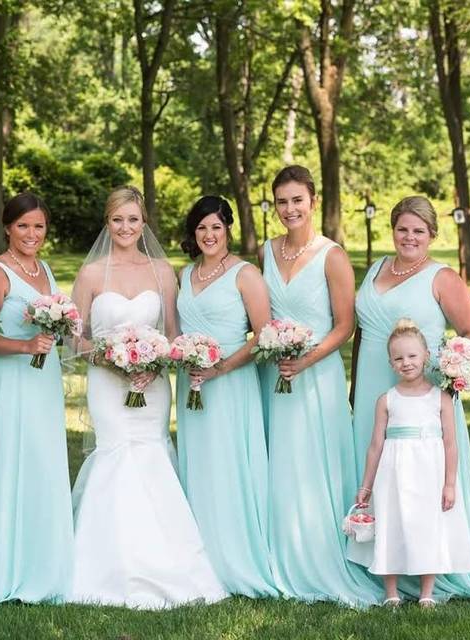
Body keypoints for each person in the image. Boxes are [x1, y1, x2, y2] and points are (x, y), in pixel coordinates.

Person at [66, 185, 227, 609]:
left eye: (133, 220)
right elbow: (74, 339)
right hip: (106, 381)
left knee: (151, 455)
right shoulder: (90, 274)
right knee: (115, 454)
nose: (125, 227)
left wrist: (153, 362)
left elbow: (172, 334)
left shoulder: (161, 270)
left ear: (143, 223)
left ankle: (168, 563)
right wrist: (111, 357)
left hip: (152, 385)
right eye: (118, 220)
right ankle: (102, 568)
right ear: (108, 222)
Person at [351, 195, 470, 601]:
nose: (409, 237)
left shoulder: (442, 278)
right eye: (402, 228)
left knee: (421, 484)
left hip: (423, 399)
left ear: (431, 235)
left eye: (418, 231)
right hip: (374, 389)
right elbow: (361, 332)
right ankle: (378, 560)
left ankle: (425, 568)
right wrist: (355, 386)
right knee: (374, 473)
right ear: (393, 229)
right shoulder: (375, 267)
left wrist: (447, 378)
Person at [258, 165, 382, 606]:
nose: (289, 209)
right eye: (282, 201)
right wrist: (276, 353)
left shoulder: (333, 256)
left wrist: (304, 360)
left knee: (315, 461)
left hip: (318, 374)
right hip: (275, 374)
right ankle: (279, 550)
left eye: (297, 200)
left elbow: (345, 325)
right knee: (279, 459)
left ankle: (324, 552)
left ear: (312, 201)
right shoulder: (267, 251)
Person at [0, 193, 74, 606]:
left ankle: (45, 563)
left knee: (43, 465)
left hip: (44, 382)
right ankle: (6, 566)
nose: (32, 234)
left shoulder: (44, 268)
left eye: (39, 226)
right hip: (10, 383)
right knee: (12, 463)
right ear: (7, 228)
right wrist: (24, 346)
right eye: (23, 226)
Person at [174, 196, 278, 598]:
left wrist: (221, 368)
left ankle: (236, 556)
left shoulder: (245, 274)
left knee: (229, 464)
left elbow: (263, 335)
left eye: (216, 227)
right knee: (198, 464)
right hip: (191, 385)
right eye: (201, 228)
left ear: (228, 229)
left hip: (231, 383)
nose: (209, 235)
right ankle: (198, 556)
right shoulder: (185, 275)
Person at [352, 319, 470, 607]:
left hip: (429, 473)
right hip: (393, 474)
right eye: (398, 358)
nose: (406, 363)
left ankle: (426, 593)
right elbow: (375, 446)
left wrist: (449, 484)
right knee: (391, 523)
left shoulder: (441, 398)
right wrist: (366, 486)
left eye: (412, 356)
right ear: (391, 363)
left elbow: (450, 444)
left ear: (426, 357)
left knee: (428, 526)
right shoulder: (387, 400)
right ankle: (391, 591)